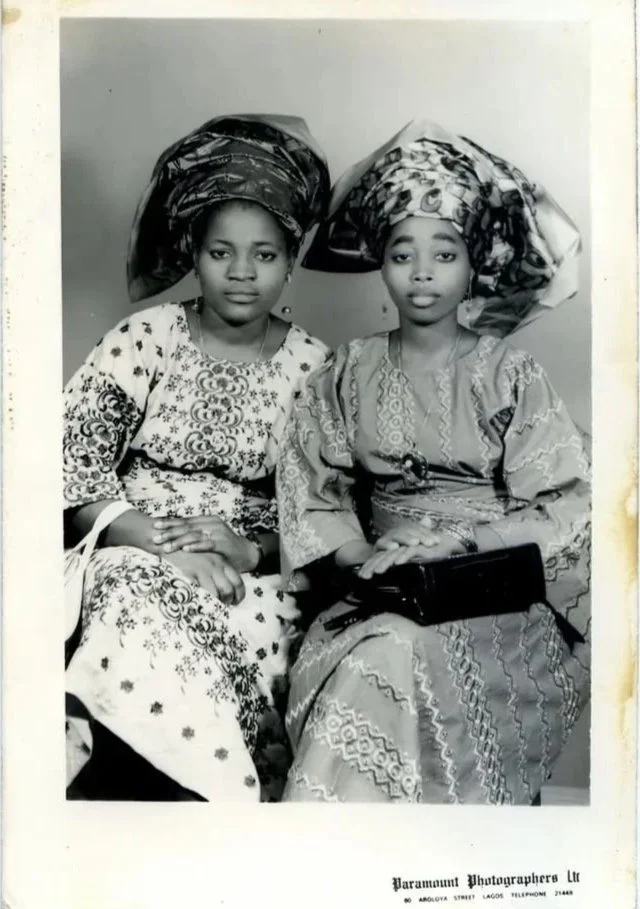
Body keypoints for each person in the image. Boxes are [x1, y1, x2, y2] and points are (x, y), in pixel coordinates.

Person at [277, 120, 590, 805]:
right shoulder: (349, 369)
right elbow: (313, 487)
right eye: (402, 253)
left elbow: (567, 503)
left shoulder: (512, 371)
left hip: (490, 594)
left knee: (401, 652)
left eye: (444, 253)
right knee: (377, 649)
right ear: (381, 262)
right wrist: (365, 556)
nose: (422, 273)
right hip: (383, 584)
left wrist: (462, 543)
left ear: (473, 262)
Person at [64, 114, 330, 801]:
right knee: (129, 592)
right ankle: (123, 797)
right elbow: (72, 464)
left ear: (291, 257)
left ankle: (205, 812)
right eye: (222, 252)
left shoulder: (315, 370)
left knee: (274, 624)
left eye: (265, 256)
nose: (242, 274)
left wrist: (246, 551)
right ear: (192, 249)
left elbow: (328, 513)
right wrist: (158, 544)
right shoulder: (146, 337)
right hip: (128, 542)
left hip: (257, 572)